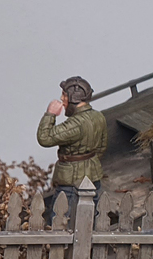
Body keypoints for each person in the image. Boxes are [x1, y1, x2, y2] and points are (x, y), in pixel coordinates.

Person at [37, 76, 107, 224]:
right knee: (94, 214)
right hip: (93, 172)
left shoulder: (75, 124)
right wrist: (89, 162)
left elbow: (44, 138)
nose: (62, 99)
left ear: (74, 98)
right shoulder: (98, 116)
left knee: (60, 217)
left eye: (64, 95)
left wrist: (50, 114)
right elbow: (101, 146)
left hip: (70, 178)